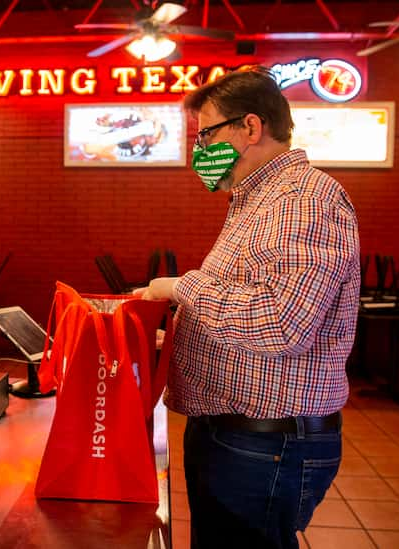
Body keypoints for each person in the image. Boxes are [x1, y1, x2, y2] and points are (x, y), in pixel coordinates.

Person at [134, 67, 360, 549]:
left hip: (264, 444)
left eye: (207, 134)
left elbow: (281, 322)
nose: (199, 152)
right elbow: (245, 305)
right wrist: (175, 338)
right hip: (236, 435)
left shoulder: (302, 198)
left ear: (251, 127)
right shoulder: (255, 201)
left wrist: (182, 287)